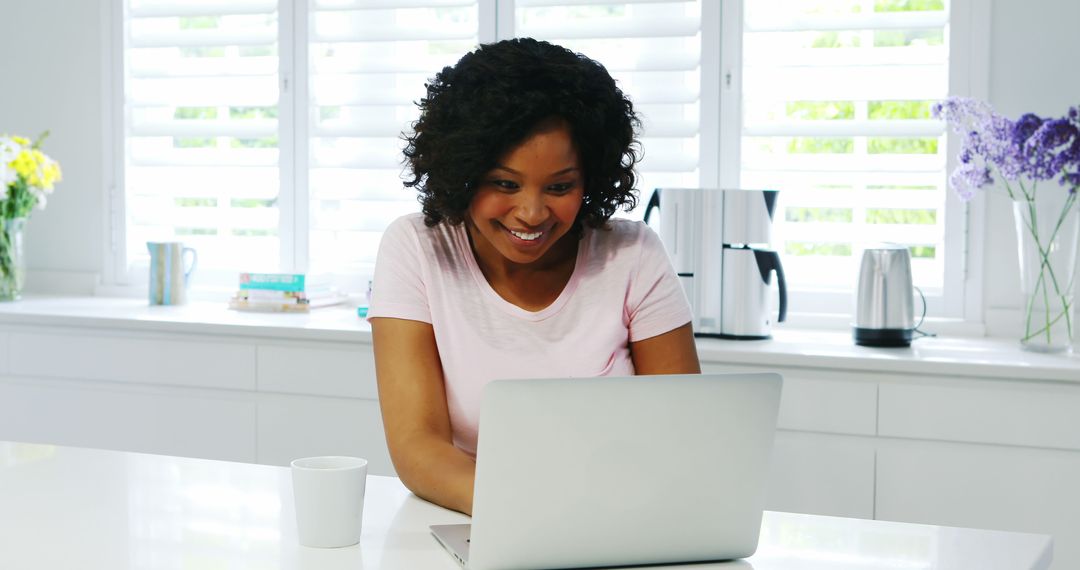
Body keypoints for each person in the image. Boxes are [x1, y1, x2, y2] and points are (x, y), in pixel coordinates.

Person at [366, 38, 700, 515]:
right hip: (481, 518)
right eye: (505, 183)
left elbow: (686, 434)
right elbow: (418, 448)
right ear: (462, 170)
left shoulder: (633, 254)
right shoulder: (417, 247)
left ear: (591, 179)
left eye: (560, 187)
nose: (531, 213)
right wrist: (531, 511)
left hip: (621, 517)